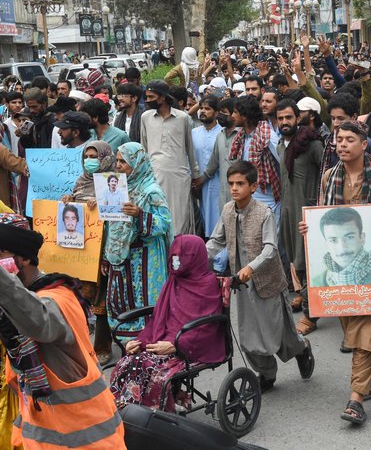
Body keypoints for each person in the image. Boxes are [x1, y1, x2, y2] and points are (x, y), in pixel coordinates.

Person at [304, 121, 371, 425]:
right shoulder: (330, 177)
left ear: (364, 143)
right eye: (339, 140)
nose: (342, 145)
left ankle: (356, 398)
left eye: (349, 140)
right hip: (339, 272)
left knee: (365, 330)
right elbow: (322, 215)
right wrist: (309, 228)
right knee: (352, 325)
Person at [0, 221, 126, 449]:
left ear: (25, 259)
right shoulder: (24, 299)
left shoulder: (58, 299)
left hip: (90, 441)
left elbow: (38, 320)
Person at [206, 160, 315, 392]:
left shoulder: (264, 213)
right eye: (231, 184)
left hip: (268, 282)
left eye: (240, 184)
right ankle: (266, 374)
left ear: (253, 186)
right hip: (243, 285)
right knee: (249, 335)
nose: (234, 188)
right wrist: (195, 258)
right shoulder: (227, 210)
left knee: (278, 332)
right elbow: (217, 241)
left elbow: (269, 248)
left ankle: (302, 348)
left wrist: (251, 268)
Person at [110, 234, 226, 412]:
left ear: (195, 258)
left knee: (146, 365)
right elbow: (158, 318)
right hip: (164, 339)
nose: (176, 262)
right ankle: (122, 410)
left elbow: (206, 328)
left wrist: (175, 345)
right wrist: (139, 341)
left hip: (187, 343)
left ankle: (145, 416)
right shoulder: (174, 280)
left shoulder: (207, 284)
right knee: (128, 362)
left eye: (181, 258)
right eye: (174, 257)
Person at [104, 142, 173, 337]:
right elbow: (111, 224)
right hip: (120, 258)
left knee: (144, 303)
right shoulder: (115, 188)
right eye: (117, 161)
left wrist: (140, 215)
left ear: (137, 163)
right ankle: (126, 346)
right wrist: (106, 256)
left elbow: (164, 223)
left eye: (123, 162)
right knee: (121, 300)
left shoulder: (151, 191)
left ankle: (147, 341)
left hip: (144, 257)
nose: (118, 166)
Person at [61, 140, 116, 364]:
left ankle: (103, 347)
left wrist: (102, 204)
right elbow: (72, 209)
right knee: (79, 297)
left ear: (105, 158)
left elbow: (117, 214)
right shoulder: (81, 181)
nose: (90, 161)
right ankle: (80, 348)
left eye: (95, 157)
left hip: (102, 248)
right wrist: (68, 200)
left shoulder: (112, 183)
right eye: (87, 156)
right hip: (80, 251)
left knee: (101, 299)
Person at [275, 100, 324, 335]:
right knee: (299, 263)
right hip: (288, 212)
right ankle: (309, 303)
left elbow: (326, 175)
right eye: (280, 118)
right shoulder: (281, 146)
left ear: (298, 118)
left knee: (309, 264)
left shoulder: (312, 145)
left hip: (308, 214)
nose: (285, 122)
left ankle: (310, 315)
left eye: (289, 117)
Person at [140, 80, 201, 235]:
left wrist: (195, 175)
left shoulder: (183, 118)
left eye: (151, 97)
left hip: (179, 177)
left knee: (179, 221)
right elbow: (144, 148)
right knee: (158, 219)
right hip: (154, 176)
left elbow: (190, 149)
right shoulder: (145, 117)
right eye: (146, 97)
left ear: (162, 97)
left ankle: (179, 256)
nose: (147, 101)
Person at [311, 207, 371, 287]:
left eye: (349, 237)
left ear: (362, 238)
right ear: (326, 245)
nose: (342, 248)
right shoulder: (317, 282)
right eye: (333, 240)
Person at [191, 96, 223, 238]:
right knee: (203, 217)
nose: (202, 111)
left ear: (216, 113)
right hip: (198, 184)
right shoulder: (193, 133)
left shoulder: (222, 133)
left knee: (218, 218)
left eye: (207, 109)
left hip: (218, 183)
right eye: (201, 108)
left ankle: (220, 259)